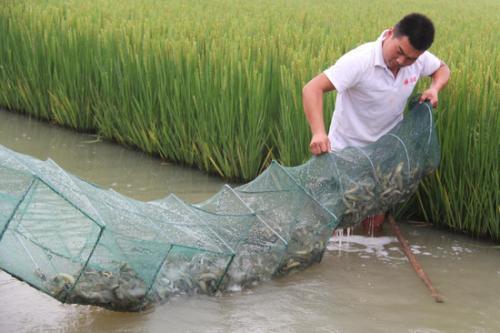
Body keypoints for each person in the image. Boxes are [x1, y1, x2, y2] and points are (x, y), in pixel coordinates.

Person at [302, 13, 450, 233]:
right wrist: (318, 133)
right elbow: (312, 88)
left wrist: (434, 88)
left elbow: (442, 69)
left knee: (373, 226)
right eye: (399, 52)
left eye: (411, 58)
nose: (402, 61)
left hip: (384, 157)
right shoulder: (360, 60)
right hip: (345, 153)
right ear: (390, 33)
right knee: (332, 225)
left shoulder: (418, 60)